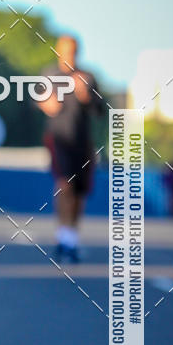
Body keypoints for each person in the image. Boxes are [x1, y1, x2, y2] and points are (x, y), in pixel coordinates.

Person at [38, 34, 103, 263]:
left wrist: (86, 95)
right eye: (65, 50)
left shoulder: (87, 77)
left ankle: (71, 238)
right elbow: (36, 99)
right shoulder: (49, 75)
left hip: (82, 142)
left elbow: (100, 110)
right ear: (58, 51)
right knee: (64, 185)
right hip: (58, 139)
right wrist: (46, 103)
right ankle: (63, 237)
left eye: (73, 50)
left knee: (79, 192)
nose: (69, 55)